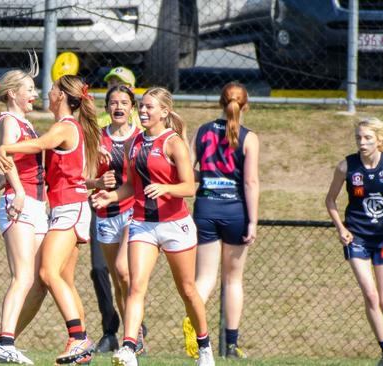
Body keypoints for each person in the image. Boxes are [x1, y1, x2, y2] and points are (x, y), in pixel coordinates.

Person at [92, 87, 215, 366]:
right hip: (143, 225)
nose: (143, 111)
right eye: (142, 107)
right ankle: (129, 348)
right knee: (135, 286)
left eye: (149, 107)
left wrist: (166, 188)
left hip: (175, 226)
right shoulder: (134, 142)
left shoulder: (173, 143)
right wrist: (111, 195)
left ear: (164, 112)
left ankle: (205, 346)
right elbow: (130, 187)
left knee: (187, 290)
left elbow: (188, 187)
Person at [0, 75, 101, 365]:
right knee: (62, 279)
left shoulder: (64, 126)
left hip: (70, 210)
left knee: (47, 273)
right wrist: (3, 176)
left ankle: (79, 338)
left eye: (53, 89)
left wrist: (6, 149)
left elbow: (41, 144)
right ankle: (80, 348)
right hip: (64, 208)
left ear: (62, 97)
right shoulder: (65, 126)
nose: (48, 92)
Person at [0, 53, 49, 365]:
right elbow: (5, 155)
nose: (35, 94)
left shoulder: (25, 123)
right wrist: (15, 189)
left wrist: (6, 180)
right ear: (13, 93)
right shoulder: (8, 122)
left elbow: (15, 165)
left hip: (34, 202)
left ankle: (8, 340)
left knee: (40, 281)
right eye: (29, 89)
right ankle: (5, 341)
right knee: (23, 276)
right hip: (21, 205)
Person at [325, 118, 383, 366]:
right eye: (358, 138)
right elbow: (330, 200)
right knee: (371, 296)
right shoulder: (347, 167)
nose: (362, 142)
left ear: (379, 140)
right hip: (357, 238)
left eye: (367, 138)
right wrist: (341, 229)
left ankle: (382, 319)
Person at [182, 82, 259, 360]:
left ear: (219, 103)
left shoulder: (203, 131)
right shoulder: (250, 138)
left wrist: (208, 177)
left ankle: (193, 320)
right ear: (246, 105)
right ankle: (231, 346)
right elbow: (250, 182)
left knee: (205, 278)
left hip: (205, 208)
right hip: (235, 211)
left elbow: (187, 171)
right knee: (233, 280)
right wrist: (252, 221)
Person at [86, 85, 144, 353]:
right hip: (105, 215)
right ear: (107, 108)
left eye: (124, 102)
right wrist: (97, 180)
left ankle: (135, 337)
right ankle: (129, 338)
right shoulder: (97, 139)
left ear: (132, 107)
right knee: (115, 278)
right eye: (113, 102)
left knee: (124, 270)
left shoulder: (141, 138)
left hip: (133, 211)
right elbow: (80, 179)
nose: (118, 106)